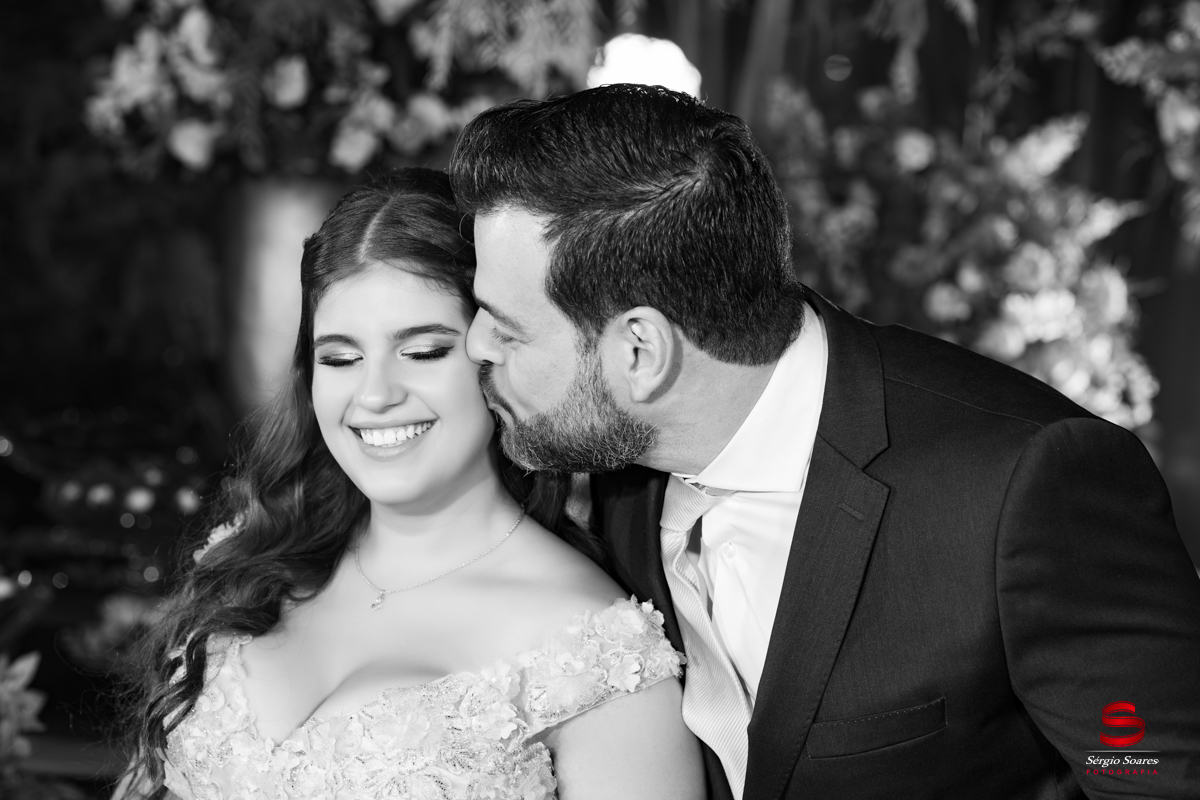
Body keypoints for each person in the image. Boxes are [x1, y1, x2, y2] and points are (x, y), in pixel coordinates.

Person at [447, 84, 1200, 800]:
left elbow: (1157, 775)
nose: (475, 346)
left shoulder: (1028, 485)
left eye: (508, 329)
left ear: (641, 352)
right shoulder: (620, 459)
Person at [115, 169, 705, 800]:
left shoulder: (598, 653)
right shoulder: (254, 555)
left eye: (422, 352)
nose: (375, 395)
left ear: (496, 354)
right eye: (340, 358)